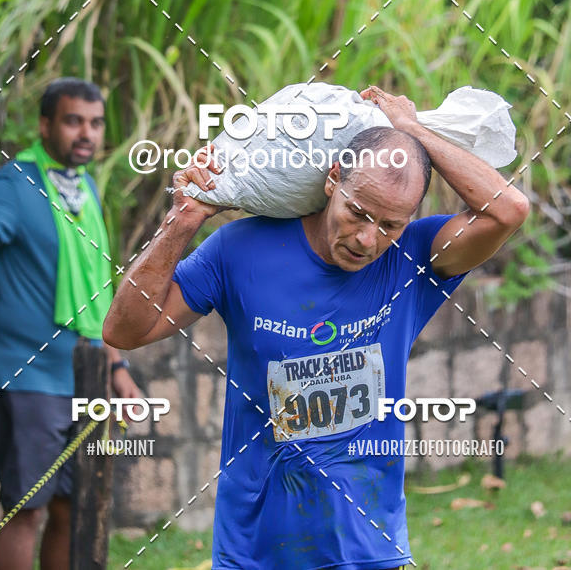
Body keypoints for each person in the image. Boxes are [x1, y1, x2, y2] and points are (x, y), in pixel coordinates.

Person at [103, 85, 530, 570]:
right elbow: (124, 331)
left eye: (390, 224)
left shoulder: (415, 258)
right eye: (358, 213)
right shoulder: (239, 250)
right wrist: (183, 222)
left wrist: (409, 130)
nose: (367, 239)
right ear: (333, 180)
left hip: (369, 550)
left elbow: (508, 210)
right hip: (254, 551)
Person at [0, 77, 140, 570]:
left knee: (72, 505)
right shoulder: (15, 185)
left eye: (94, 123)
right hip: (21, 376)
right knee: (26, 509)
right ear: (45, 125)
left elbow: (97, 291)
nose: (85, 133)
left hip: (80, 374)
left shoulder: (83, 190)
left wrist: (118, 367)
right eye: (72, 121)